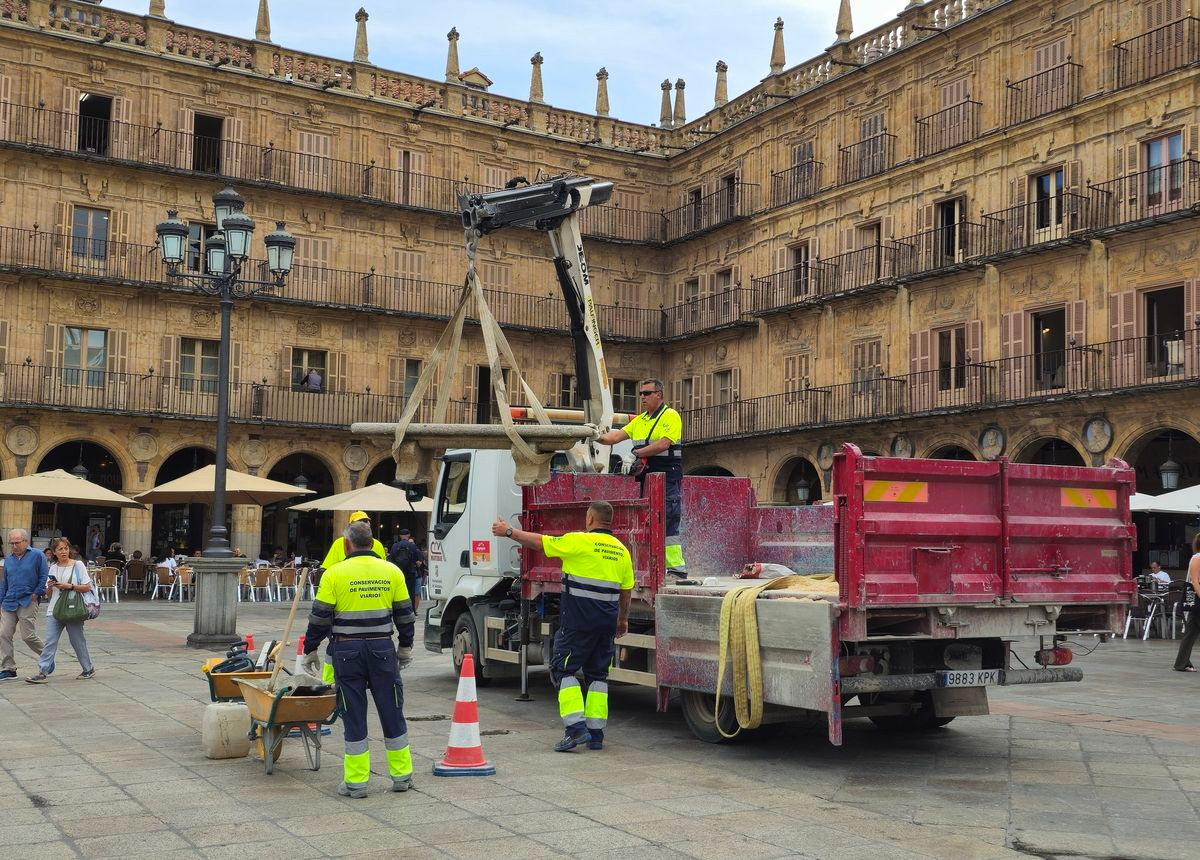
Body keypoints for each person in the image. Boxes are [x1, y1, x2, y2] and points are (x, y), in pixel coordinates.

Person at [492, 500, 633, 752]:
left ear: (590, 519)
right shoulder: (621, 550)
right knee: (598, 676)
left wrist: (509, 532)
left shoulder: (579, 541)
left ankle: (575, 729)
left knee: (562, 670)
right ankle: (596, 733)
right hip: (606, 625)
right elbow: (626, 590)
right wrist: (622, 619)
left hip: (578, 623)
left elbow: (541, 542)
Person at [301, 520, 415, 797]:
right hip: (382, 650)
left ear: (347, 544)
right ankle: (401, 776)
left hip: (346, 651)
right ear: (373, 543)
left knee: (352, 713)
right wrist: (405, 647)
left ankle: (356, 782)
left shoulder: (335, 574)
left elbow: (320, 616)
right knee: (392, 710)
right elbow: (405, 614)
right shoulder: (392, 571)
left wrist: (311, 648)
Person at [596, 377, 687, 573]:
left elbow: (664, 444)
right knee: (647, 520)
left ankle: (675, 569)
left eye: (647, 393)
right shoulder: (640, 420)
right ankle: (654, 565)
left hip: (667, 478)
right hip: (648, 479)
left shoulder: (670, 416)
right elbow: (614, 437)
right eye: (640, 394)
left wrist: (635, 453)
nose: (642, 397)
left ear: (659, 395)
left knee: (668, 521)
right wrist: (594, 435)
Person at [26, 537, 95, 684]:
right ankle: (43, 671)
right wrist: (50, 587)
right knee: (50, 641)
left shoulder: (78, 565)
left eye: (65, 548)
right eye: (60, 549)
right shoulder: (53, 567)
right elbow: (49, 595)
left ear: (69, 550)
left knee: (77, 641)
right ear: (54, 552)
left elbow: (87, 587)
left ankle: (88, 668)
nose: (63, 551)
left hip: (73, 609)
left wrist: (68, 586)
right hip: (55, 609)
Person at [0, 528, 47, 681]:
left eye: (17, 543)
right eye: (11, 543)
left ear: (25, 542)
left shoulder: (37, 555)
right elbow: (4, 582)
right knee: (3, 634)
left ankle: (47, 657)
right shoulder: (9, 559)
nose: (13, 546)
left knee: (28, 636)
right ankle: (9, 668)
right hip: (9, 601)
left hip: (28, 600)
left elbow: (43, 575)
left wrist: (37, 593)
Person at [322, 512, 386, 570]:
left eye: (365, 521)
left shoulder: (378, 544)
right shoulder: (339, 543)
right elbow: (326, 568)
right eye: (359, 522)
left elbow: (383, 568)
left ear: (369, 525)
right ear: (350, 526)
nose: (362, 525)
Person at [1173, 534, 1200, 672]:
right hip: (1197, 597)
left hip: (1196, 599)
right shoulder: (1197, 558)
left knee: (1190, 632)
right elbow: (1194, 580)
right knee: (1190, 631)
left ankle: (1182, 663)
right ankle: (1182, 663)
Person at [388, 528, 423, 614]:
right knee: (411, 592)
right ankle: (411, 610)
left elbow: (391, 560)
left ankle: (397, 611)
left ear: (400, 536)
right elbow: (416, 559)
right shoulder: (412, 546)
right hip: (410, 572)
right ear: (408, 535)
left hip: (398, 572)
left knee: (396, 591)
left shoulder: (394, 546)